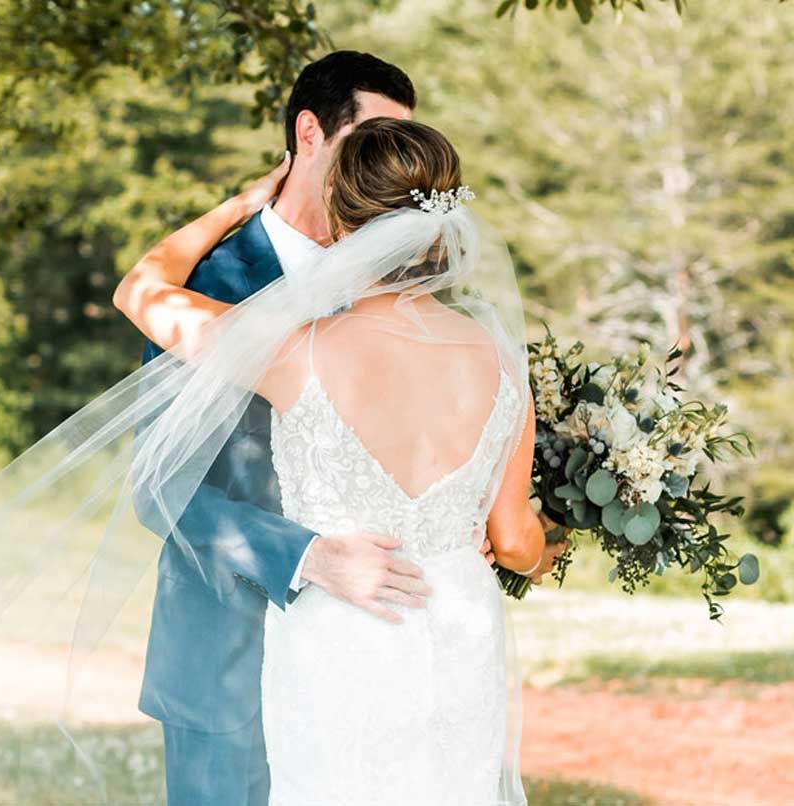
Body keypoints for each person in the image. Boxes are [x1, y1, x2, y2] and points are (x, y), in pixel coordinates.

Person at [116, 111, 568, 802]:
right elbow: (512, 542)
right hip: (458, 631)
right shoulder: (502, 361)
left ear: (339, 224)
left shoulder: (294, 351)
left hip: (344, 632)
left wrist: (242, 204)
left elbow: (139, 291)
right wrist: (551, 550)